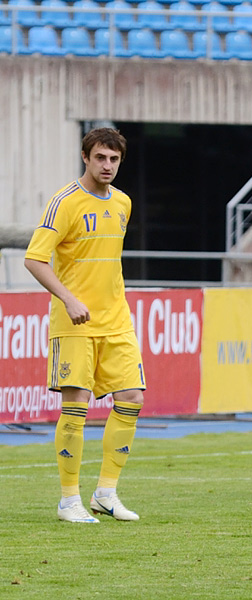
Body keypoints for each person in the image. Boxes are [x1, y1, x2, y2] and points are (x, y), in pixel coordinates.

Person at [24, 128, 145, 523]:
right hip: (74, 322)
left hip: (116, 321)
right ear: (85, 157)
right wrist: (69, 298)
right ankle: (67, 500)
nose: (107, 165)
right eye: (100, 158)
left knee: (132, 397)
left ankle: (106, 492)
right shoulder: (64, 202)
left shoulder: (124, 203)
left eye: (114, 159)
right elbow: (35, 259)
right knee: (75, 406)